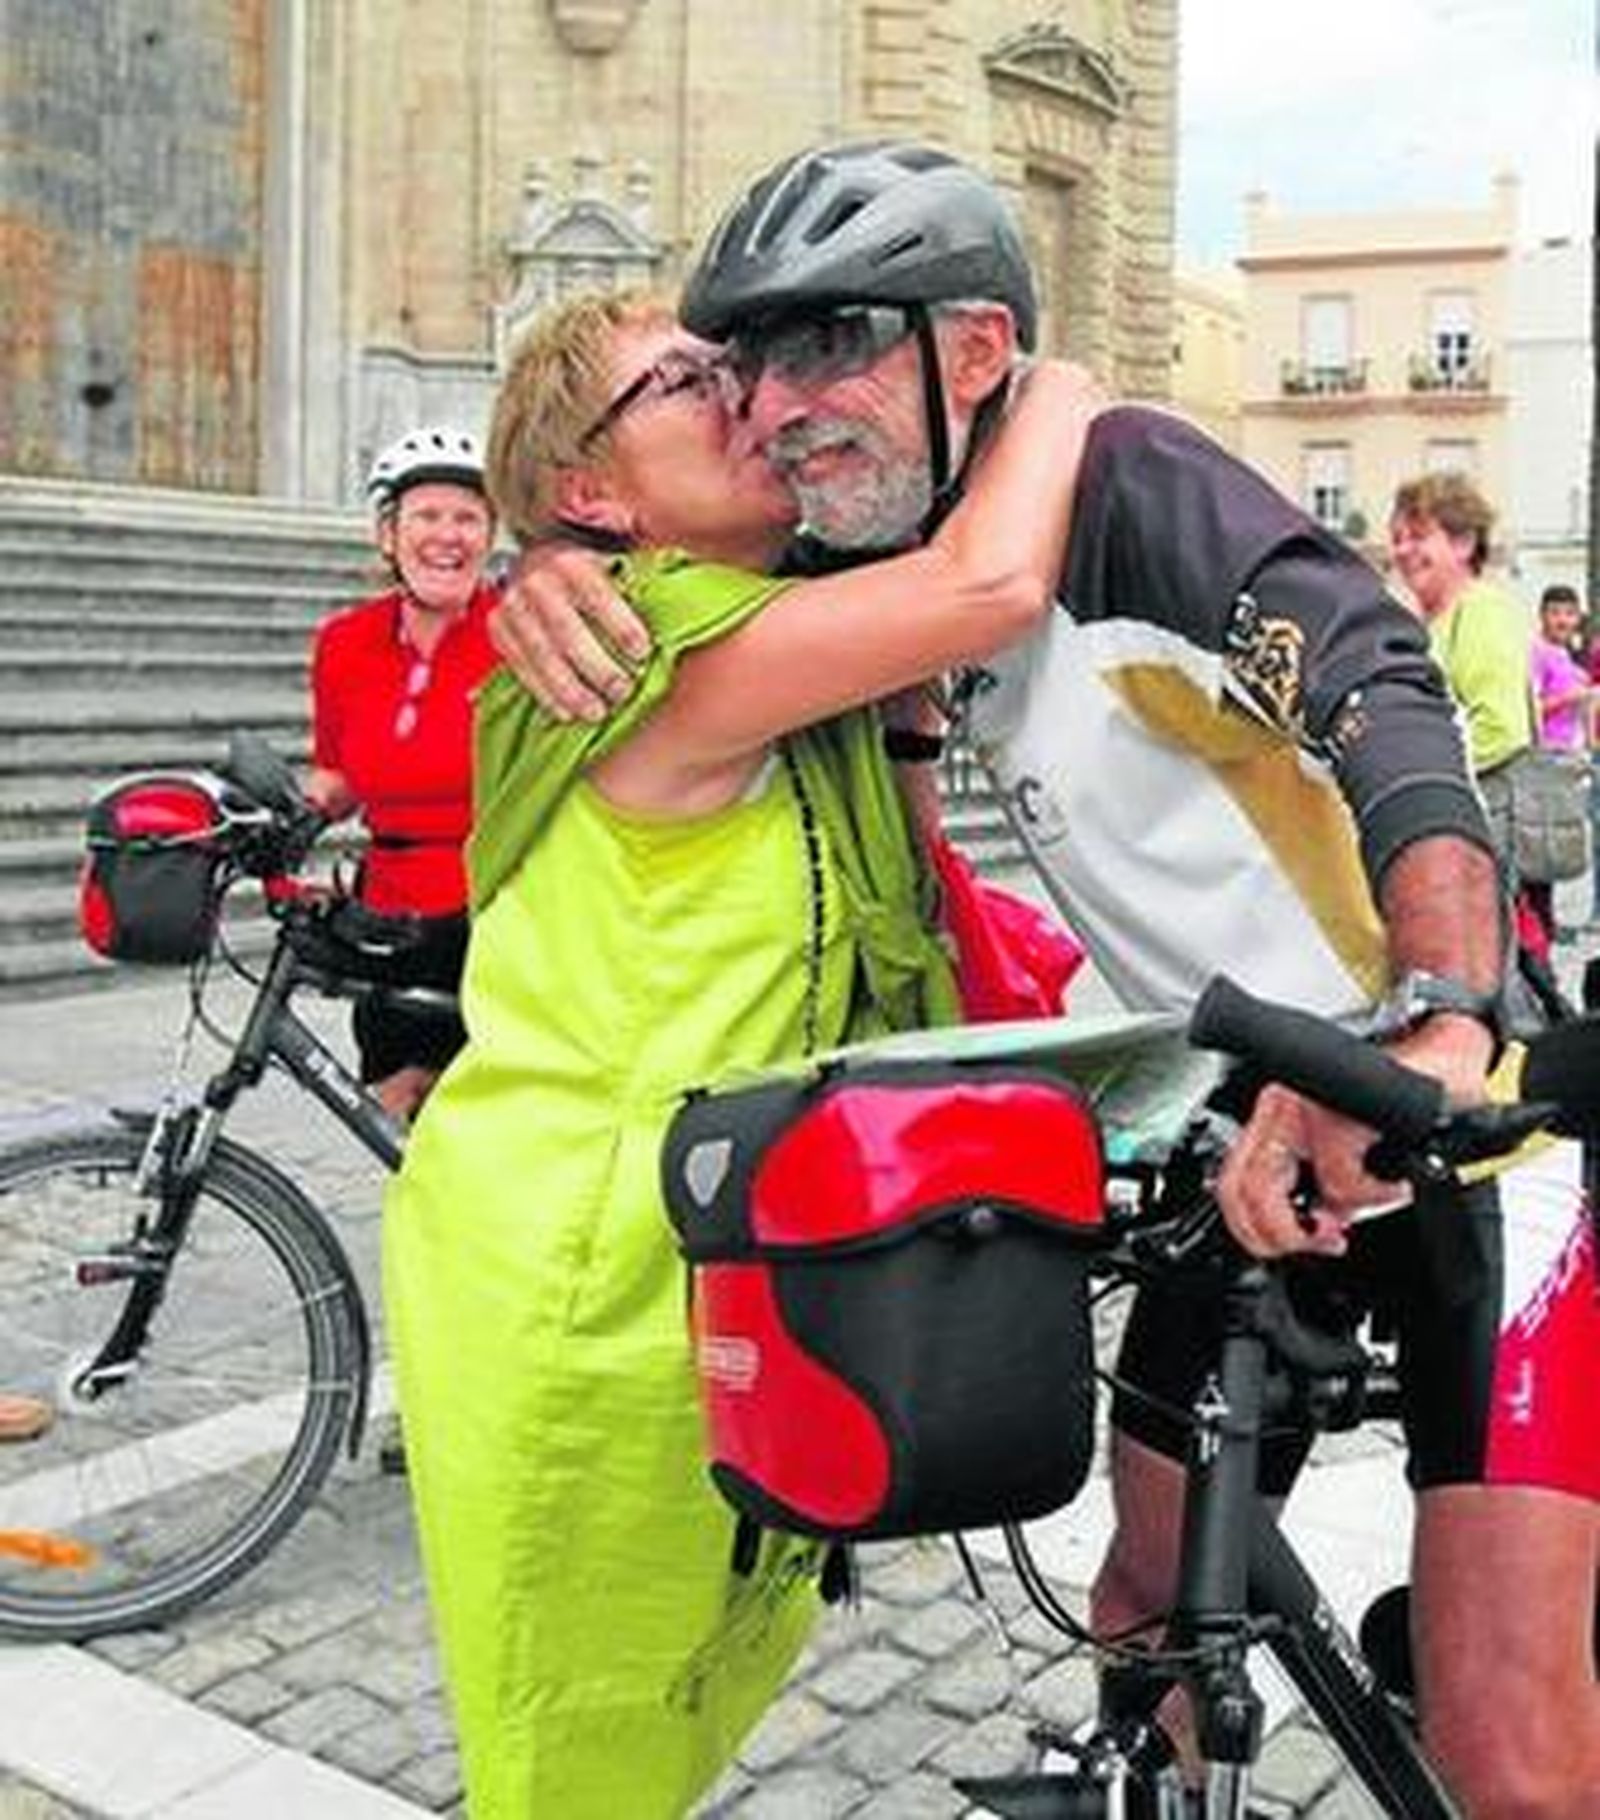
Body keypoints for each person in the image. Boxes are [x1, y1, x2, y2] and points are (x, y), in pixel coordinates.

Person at [495, 142, 1600, 1819]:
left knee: (1507, 1753)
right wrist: (543, 566)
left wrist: (1441, 1005)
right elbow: (653, 567)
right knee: (1145, 1610)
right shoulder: (876, 542)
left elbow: (1381, 690)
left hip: (1447, 1120)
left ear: (977, 354)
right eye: (753, 362)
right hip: (1247, 1140)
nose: (784, 405)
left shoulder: (1131, 482)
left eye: (829, 345)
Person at [383, 289, 1099, 1818]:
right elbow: (989, 581)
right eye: (689, 378)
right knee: (580, 1751)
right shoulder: (648, 638)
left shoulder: (747, 625)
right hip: (584, 1281)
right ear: (593, 491)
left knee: (673, 1705)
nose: (750, 390)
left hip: (701, 1248)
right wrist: (1060, 380)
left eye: (746, 363)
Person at [305, 427, 501, 1122]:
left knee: (477, 1124)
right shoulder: (344, 643)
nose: (447, 535)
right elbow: (337, 777)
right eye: (427, 515)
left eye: (467, 517)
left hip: (496, 915)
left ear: (489, 534)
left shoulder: (521, 634)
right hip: (388, 916)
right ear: (388, 533)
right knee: (389, 1116)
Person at [1388, 471, 1534, 873]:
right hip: (1456, 829)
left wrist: (1414, 777)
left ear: (1464, 543)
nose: (1402, 550)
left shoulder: (1479, 611)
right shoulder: (1430, 622)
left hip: (1483, 833)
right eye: (1397, 538)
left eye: (1417, 536)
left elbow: (1501, 729)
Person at [1526, 581, 1596, 943]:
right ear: (1543, 616)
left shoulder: (1569, 655)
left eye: (1569, 613)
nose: (1563, 620)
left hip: (1568, 765)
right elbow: (1532, 707)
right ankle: (1539, 927)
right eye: (1555, 612)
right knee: (1543, 851)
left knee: (1557, 851)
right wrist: (1570, 697)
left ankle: (1547, 925)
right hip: (1545, 764)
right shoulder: (1537, 653)